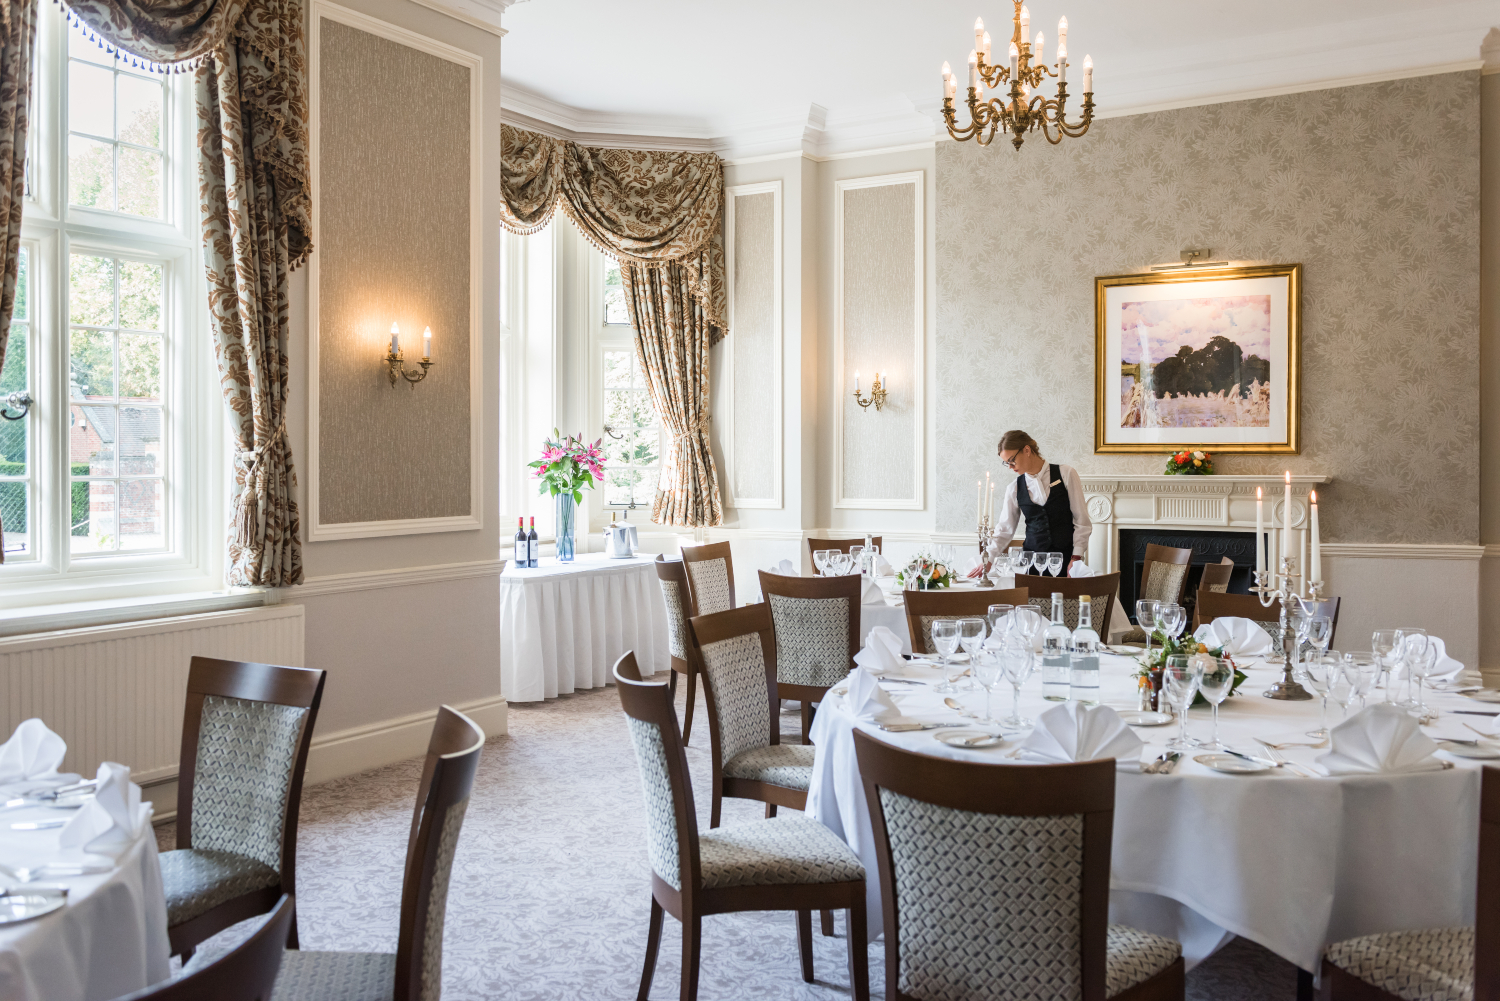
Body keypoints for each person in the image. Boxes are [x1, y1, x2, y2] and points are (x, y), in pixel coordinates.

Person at [990, 430, 1091, 574]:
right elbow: (1005, 529)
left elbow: (1081, 521)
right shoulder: (1014, 488)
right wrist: (988, 559)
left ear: (1026, 450)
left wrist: (1076, 557)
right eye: (1006, 463)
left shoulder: (1066, 474)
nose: (1010, 467)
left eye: (1012, 460)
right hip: (1030, 566)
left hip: (1066, 562)